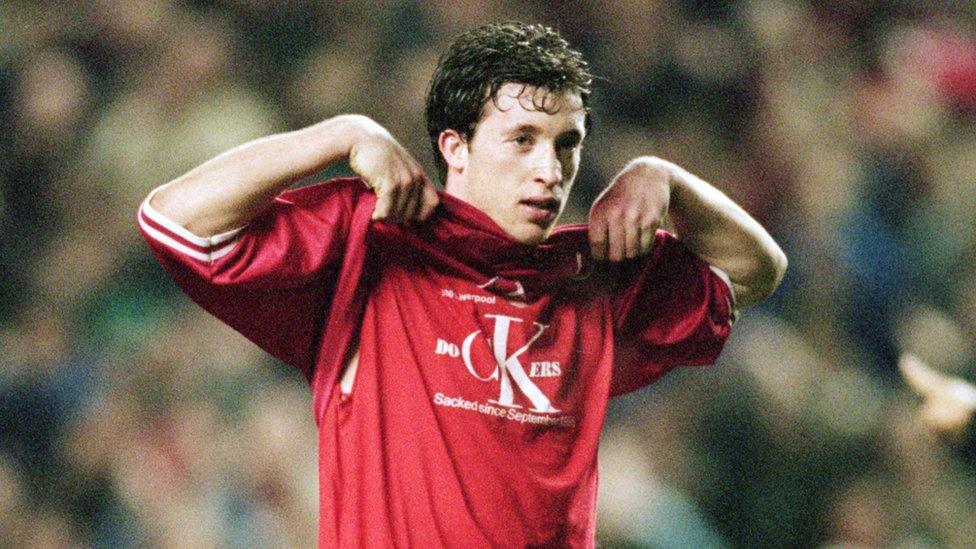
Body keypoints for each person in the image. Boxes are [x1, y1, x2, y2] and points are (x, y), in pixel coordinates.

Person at [137, 22, 787, 547]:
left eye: (567, 144)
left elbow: (758, 270)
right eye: (523, 139)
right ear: (455, 145)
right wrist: (341, 133)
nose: (549, 170)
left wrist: (665, 180)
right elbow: (173, 219)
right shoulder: (376, 238)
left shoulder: (595, 274)